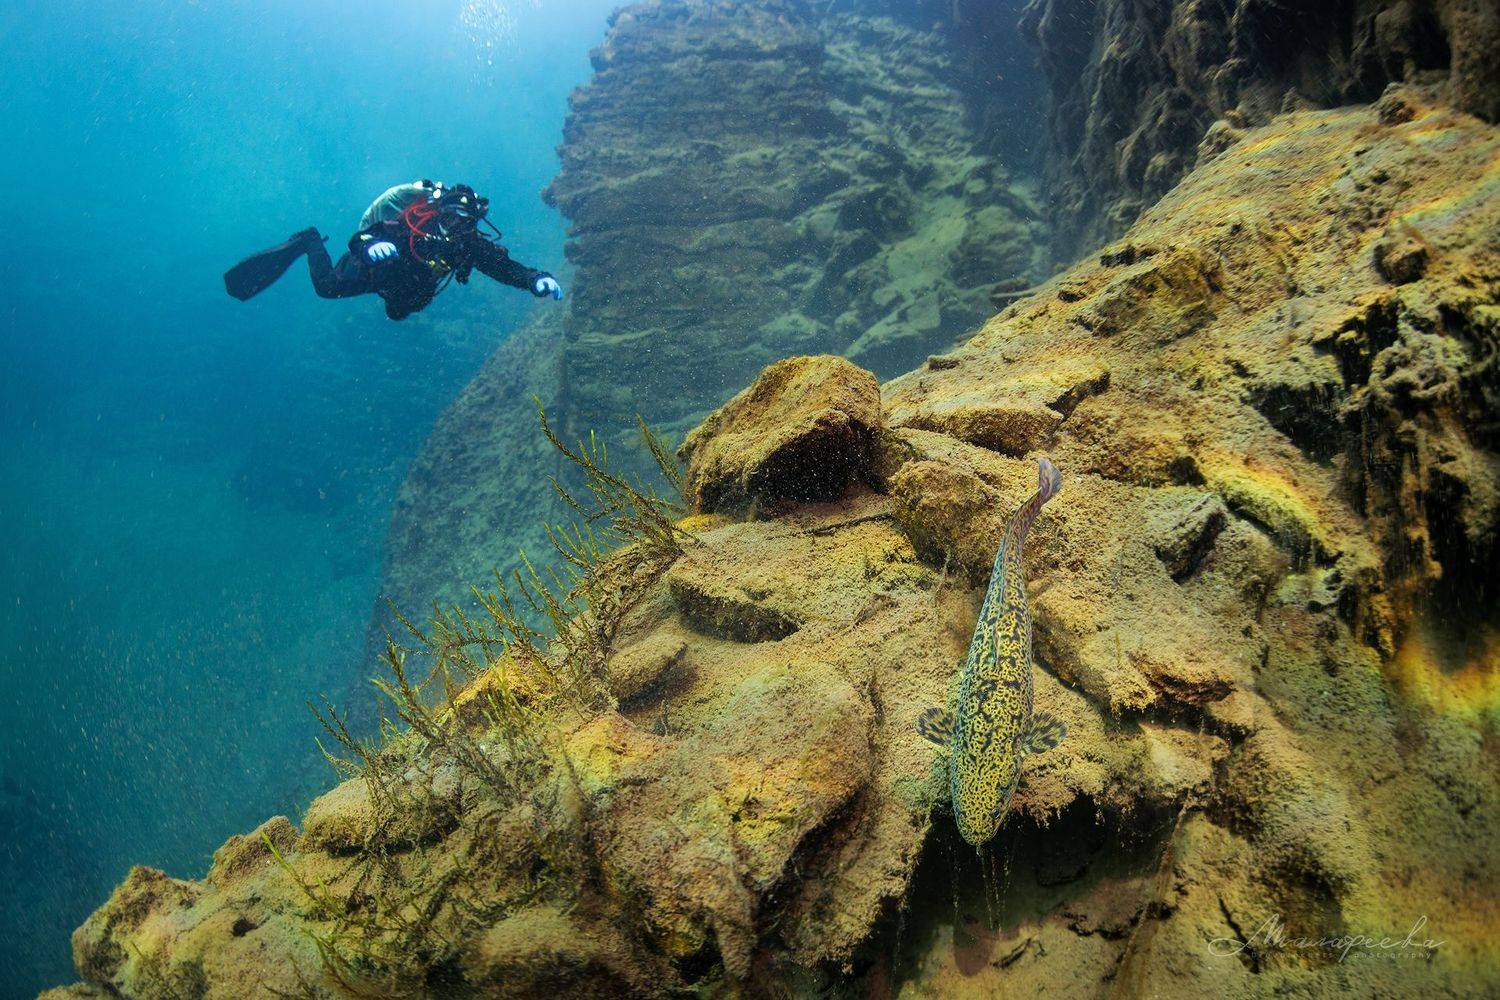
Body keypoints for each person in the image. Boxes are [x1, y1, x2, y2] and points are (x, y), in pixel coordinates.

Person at [224, 180, 563, 320]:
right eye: (453, 219)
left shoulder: (468, 245)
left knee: (399, 312)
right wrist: (371, 244)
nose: (459, 228)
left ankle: (398, 297)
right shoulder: (413, 224)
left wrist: (534, 278)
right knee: (326, 288)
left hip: (409, 287)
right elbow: (360, 238)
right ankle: (309, 240)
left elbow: (503, 268)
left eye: (466, 223)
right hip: (377, 269)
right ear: (440, 212)